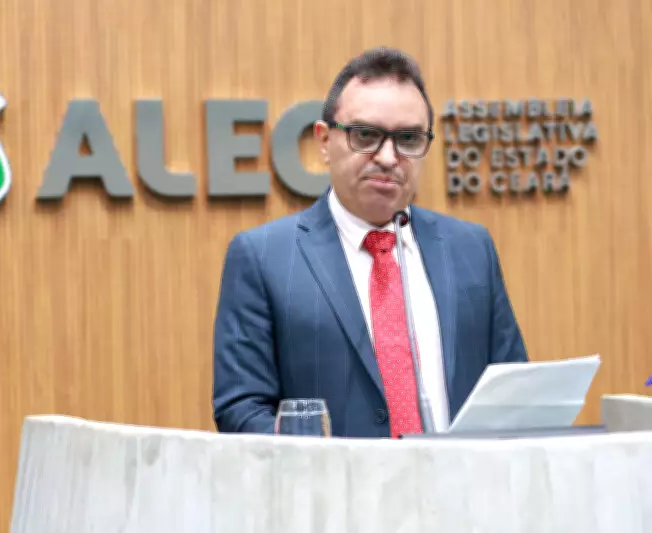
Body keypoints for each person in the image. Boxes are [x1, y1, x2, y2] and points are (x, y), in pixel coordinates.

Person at [212, 46, 528, 438]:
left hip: (456, 477)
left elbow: (514, 392)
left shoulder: (471, 248)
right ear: (324, 140)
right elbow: (241, 409)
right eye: (366, 135)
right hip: (330, 478)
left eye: (408, 138)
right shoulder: (262, 257)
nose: (388, 157)